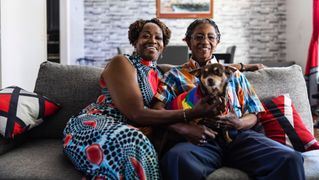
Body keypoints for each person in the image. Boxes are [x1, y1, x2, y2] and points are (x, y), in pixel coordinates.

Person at [62, 18, 221, 179]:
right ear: (135, 41)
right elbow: (136, 113)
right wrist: (190, 115)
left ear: (163, 47)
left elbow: (205, 70)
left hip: (132, 131)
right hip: (97, 123)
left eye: (158, 38)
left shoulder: (162, 76)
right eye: (146, 36)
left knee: (143, 144)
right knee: (135, 141)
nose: (152, 40)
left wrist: (245, 67)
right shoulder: (123, 63)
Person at [153, 19, 305, 180]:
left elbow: (254, 112)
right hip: (199, 140)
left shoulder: (235, 74)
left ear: (217, 42)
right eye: (198, 37)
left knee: (290, 158)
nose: (205, 42)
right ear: (188, 42)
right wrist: (185, 129)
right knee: (176, 158)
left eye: (211, 37)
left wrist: (239, 123)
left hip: (239, 137)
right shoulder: (174, 76)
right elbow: (156, 110)